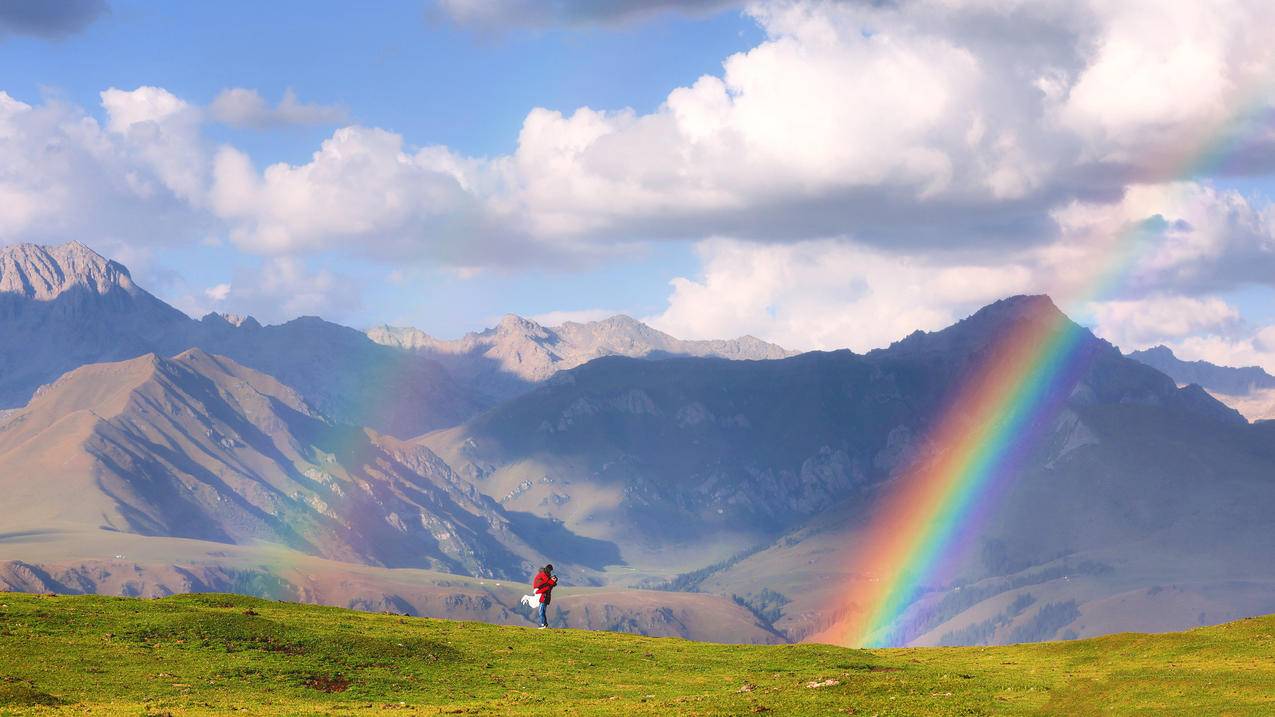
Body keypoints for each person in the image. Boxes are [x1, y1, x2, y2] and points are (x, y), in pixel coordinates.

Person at [531, 564, 558, 629]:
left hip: (544, 598)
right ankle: (544, 624)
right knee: (542, 611)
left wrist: (536, 591)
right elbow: (546, 585)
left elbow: (544, 588)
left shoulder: (548, 583)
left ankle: (544, 625)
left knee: (541, 611)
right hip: (544, 598)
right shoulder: (549, 583)